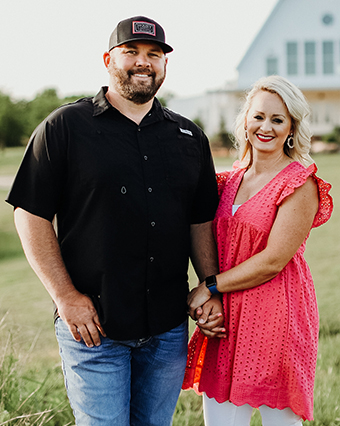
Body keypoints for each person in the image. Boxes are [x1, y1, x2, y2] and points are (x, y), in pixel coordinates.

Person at [6, 16, 224, 426]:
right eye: (132, 52)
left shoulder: (188, 137)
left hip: (167, 329)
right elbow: (30, 213)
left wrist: (210, 285)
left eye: (154, 55)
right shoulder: (65, 127)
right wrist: (65, 297)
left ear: (164, 66)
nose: (144, 62)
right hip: (93, 330)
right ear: (109, 59)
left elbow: (200, 221)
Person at [183, 75, 333, 425]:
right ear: (245, 120)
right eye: (259, 116)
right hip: (226, 318)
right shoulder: (229, 178)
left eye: (278, 120)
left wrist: (208, 288)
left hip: (276, 318)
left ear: (292, 128)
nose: (266, 127)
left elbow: (272, 261)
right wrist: (212, 303)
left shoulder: (299, 182)